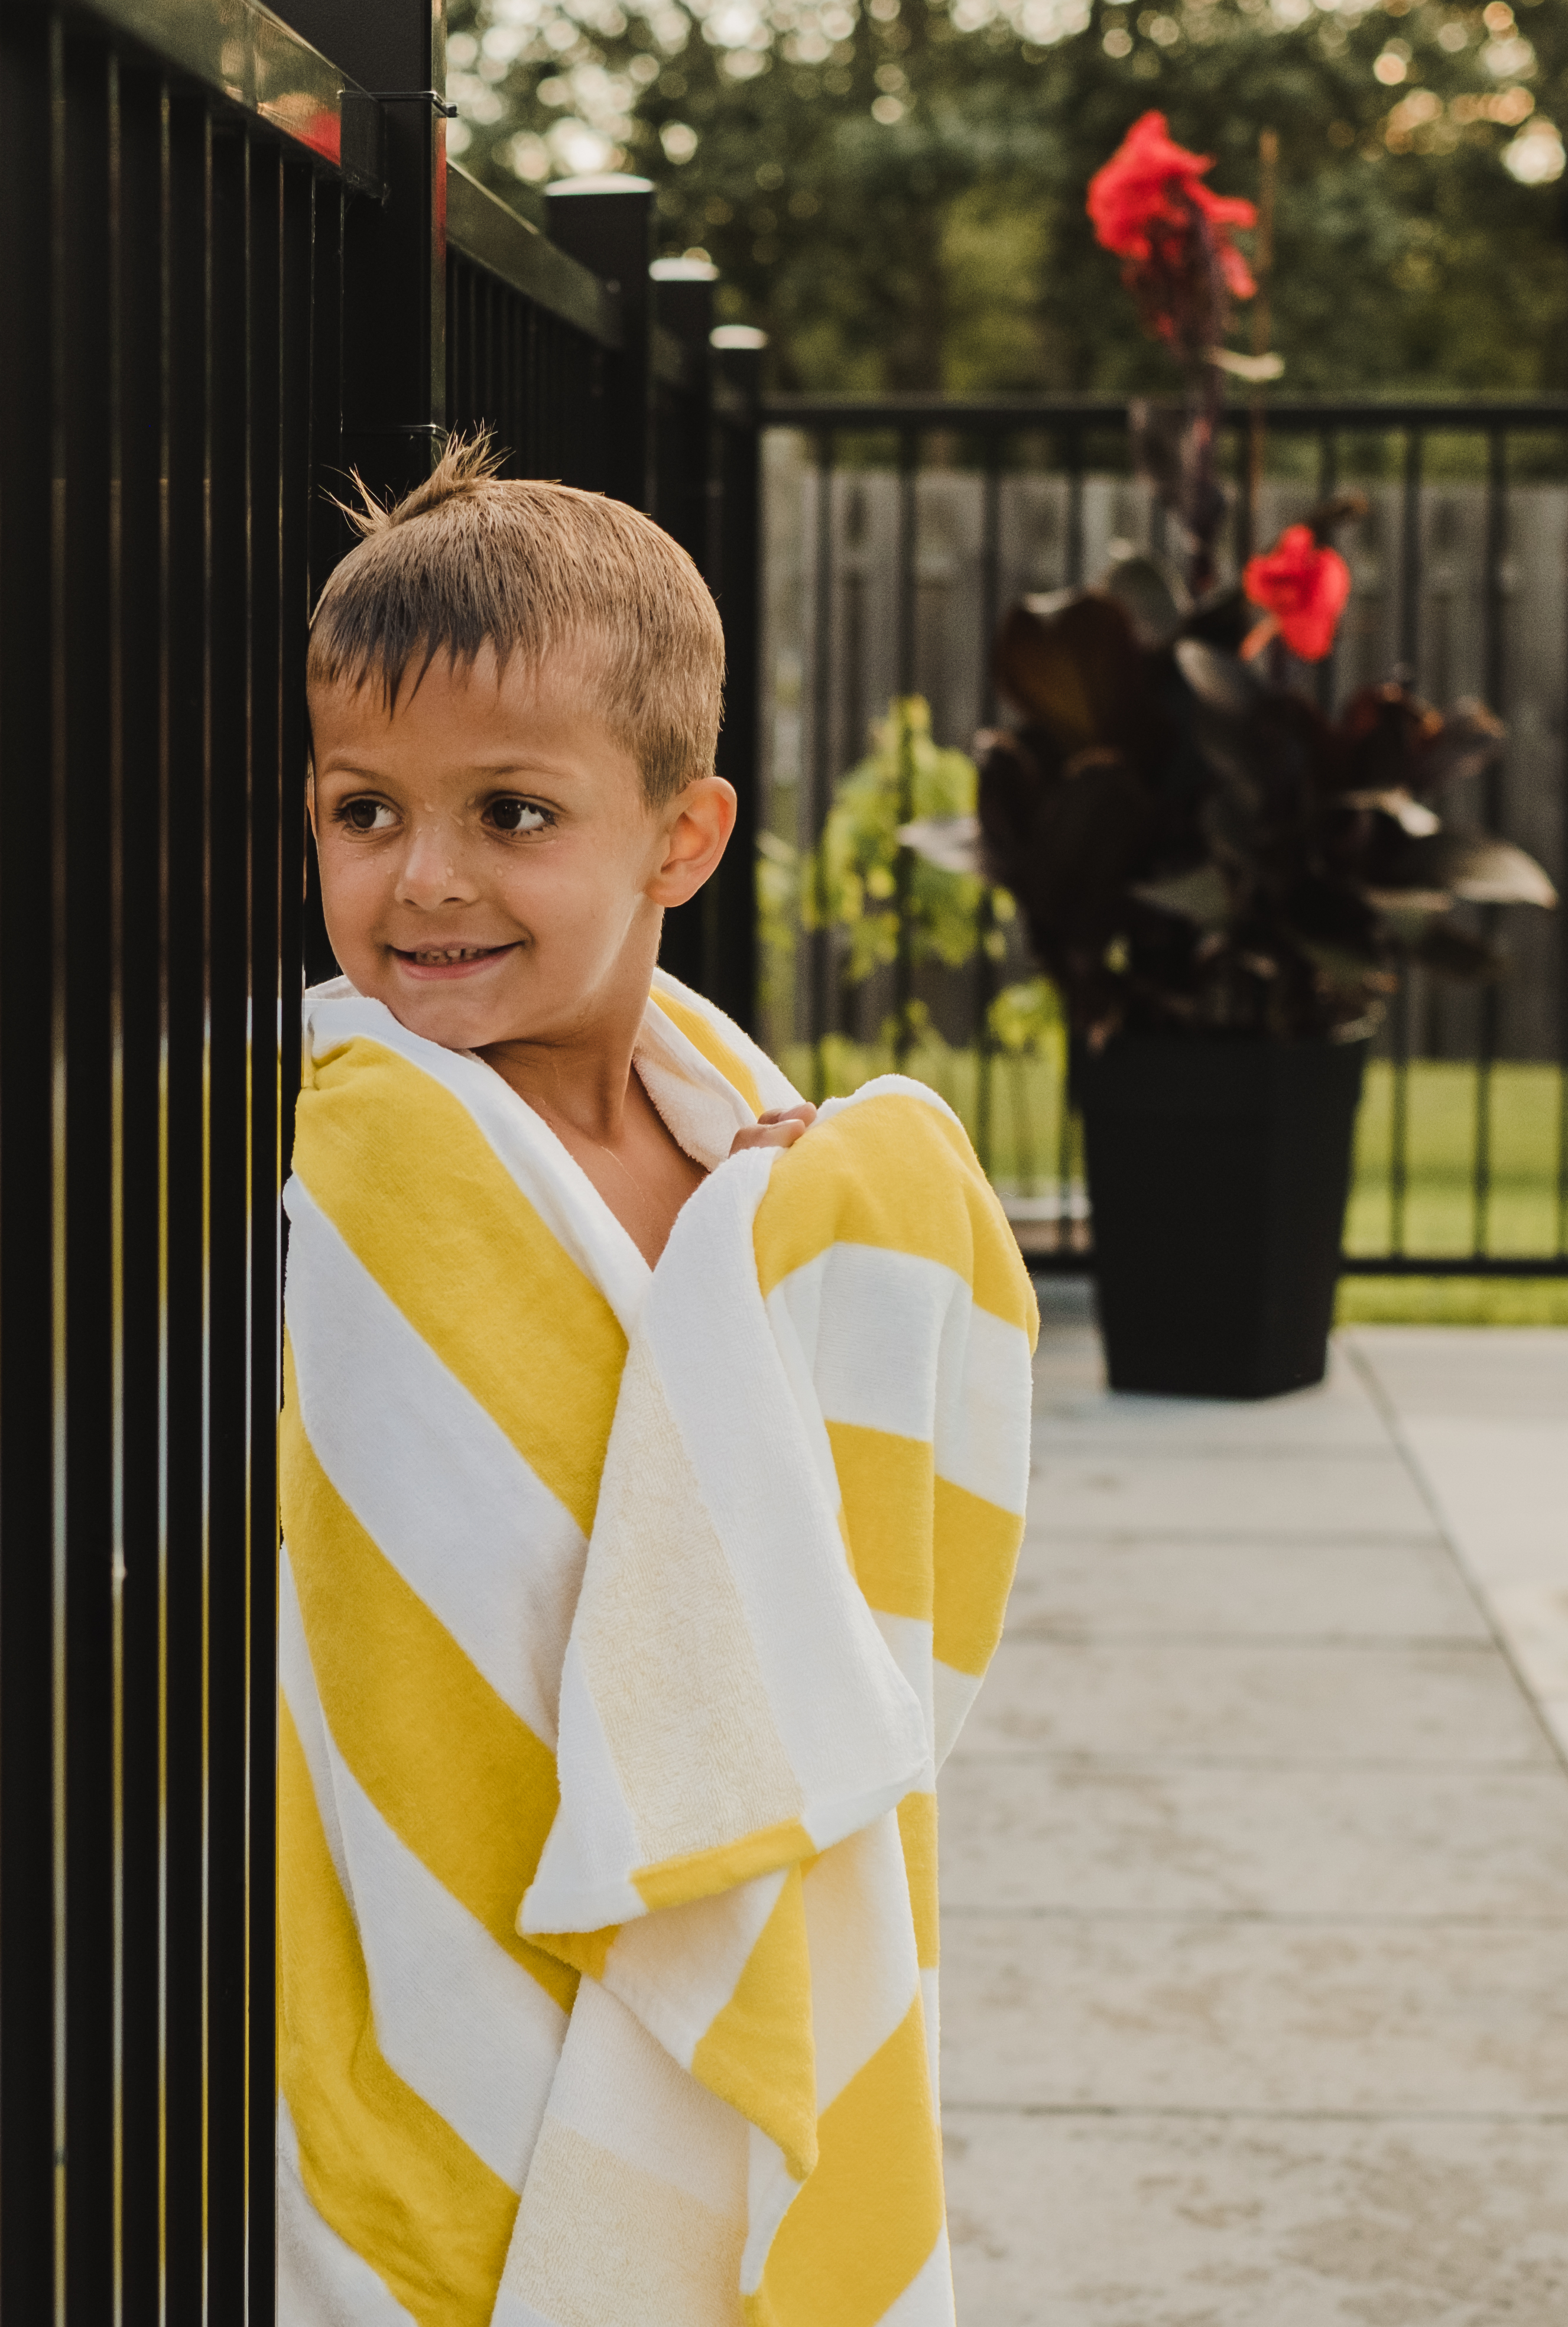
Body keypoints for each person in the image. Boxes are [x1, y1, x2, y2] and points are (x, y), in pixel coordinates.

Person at [278, 437, 1035, 2326]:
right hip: (464, 1955)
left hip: (720, 1911)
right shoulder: (373, 1158)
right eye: (362, 810)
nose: (420, 881)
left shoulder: (747, 1167)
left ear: (679, 839)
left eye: (511, 815)